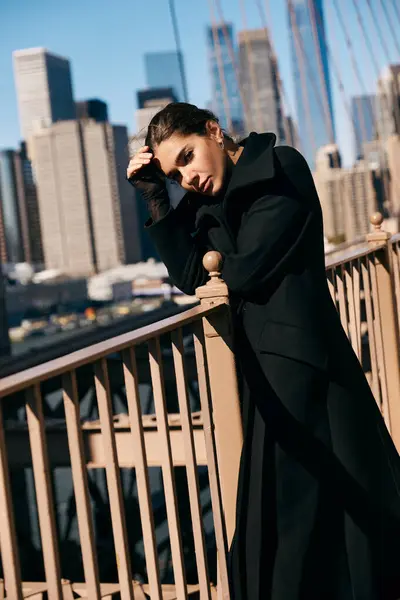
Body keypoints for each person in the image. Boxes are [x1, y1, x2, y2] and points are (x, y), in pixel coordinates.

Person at [127, 102, 400, 600]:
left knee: (323, 518)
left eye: (188, 157)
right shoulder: (205, 198)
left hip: (312, 370)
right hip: (266, 377)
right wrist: (155, 198)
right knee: (297, 520)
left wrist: (209, 243)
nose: (186, 177)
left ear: (213, 130)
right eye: (173, 173)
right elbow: (193, 277)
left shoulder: (283, 166)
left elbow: (246, 269)